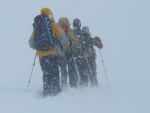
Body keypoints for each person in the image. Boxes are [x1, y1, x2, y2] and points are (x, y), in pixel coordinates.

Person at [28, 8, 65, 96]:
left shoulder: (37, 26)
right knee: (55, 72)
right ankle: (56, 91)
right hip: (52, 53)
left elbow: (31, 42)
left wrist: (39, 48)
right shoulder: (53, 25)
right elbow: (62, 38)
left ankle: (47, 90)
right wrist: (62, 44)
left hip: (42, 55)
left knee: (46, 73)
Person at [58, 17, 80, 88]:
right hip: (70, 53)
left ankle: (64, 86)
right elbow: (77, 44)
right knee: (71, 69)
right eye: (62, 25)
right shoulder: (71, 32)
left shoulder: (57, 32)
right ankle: (73, 86)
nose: (64, 27)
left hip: (62, 53)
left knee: (64, 70)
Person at [73, 18, 89, 87]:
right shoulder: (82, 33)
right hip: (81, 54)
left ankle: (77, 84)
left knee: (77, 70)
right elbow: (84, 42)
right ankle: (84, 83)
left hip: (75, 54)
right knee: (83, 69)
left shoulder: (72, 32)